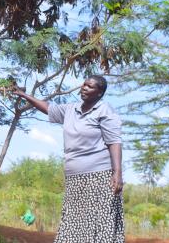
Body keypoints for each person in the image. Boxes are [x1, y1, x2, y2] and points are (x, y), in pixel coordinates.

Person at [13, 75, 125, 242]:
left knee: (99, 223)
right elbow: (48, 108)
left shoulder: (104, 110)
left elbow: (114, 142)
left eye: (90, 86)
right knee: (73, 222)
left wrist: (117, 173)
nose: (84, 88)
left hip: (99, 176)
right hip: (74, 178)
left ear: (100, 93)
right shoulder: (71, 109)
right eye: (84, 84)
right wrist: (24, 95)